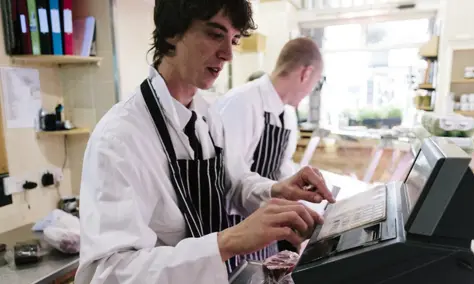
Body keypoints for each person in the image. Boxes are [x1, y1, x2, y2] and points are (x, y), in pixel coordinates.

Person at [75, 1, 334, 284]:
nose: (227, 54)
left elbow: (233, 182)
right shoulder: (120, 138)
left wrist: (277, 189)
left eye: (233, 40)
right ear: (172, 32)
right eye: (214, 35)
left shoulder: (207, 116)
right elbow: (110, 274)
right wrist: (227, 242)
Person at [214, 37, 324, 260]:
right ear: (305, 74)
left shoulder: (288, 115)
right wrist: (277, 192)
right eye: (315, 83)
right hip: (235, 232)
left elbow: (282, 169)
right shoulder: (240, 103)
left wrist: (305, 200)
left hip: (269, 230)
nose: (309, 91)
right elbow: (228, 183)